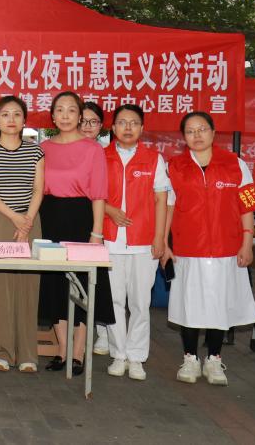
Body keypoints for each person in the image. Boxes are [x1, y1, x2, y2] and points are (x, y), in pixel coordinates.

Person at [163, 111, 255, 386]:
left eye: (202, 129)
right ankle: (190, 359)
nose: (197, 135)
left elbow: (248, 206)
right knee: (189, 305)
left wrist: (247, 242)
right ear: (183, 137)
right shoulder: (174, 167)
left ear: (213, 132)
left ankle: (214, 360)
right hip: (187, 248)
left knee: (220, 304)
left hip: (226, 249)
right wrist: (164, 243)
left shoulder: (235, 164)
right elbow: (168, 207)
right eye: (190, 131)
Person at [38, 91, 114, 376]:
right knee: (54, 285)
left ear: (80, 116)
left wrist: (97, 233)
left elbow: (99, 195)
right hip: (49, 218)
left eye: (72, 110)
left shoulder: (93, 149)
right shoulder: (43, 148)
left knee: (81, 285)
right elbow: (36, 189)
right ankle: (62, 350)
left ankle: (79, 353)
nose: (66, 115)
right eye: (60, 110)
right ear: (52, 116)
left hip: (81, 220)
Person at [0, 95, 44, 373]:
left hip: (30, 221)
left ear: (24, 120)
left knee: (29, 286)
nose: (11, 119)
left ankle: (27, 353)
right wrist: (15, 217)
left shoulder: (35, 151)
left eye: (17, 114)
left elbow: (38, 189)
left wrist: (27, 220)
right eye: (5, 114)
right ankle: (0, 352)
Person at [103, 104, 169, 381]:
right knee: (114, 300)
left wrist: (159, 238)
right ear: (113, 128)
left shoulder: (154, 159)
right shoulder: (102, 156)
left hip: (144, 241)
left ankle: (137, 357)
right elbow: (93, 195)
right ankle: (119, 355)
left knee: (141, 302)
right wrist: (109, 210)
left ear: (142, 128)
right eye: (122, 122)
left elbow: (161, 200)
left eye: (133, 123)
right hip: (110, 239)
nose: (127, 127)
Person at [79, 101, 110, 358]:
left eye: (94, 122)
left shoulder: (103, 152)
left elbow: (100, 192)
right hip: (81, 220)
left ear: (101, 126)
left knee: (99, 285)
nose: (88, 126)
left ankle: (104, 333)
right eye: (84, 121)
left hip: (101, 227)